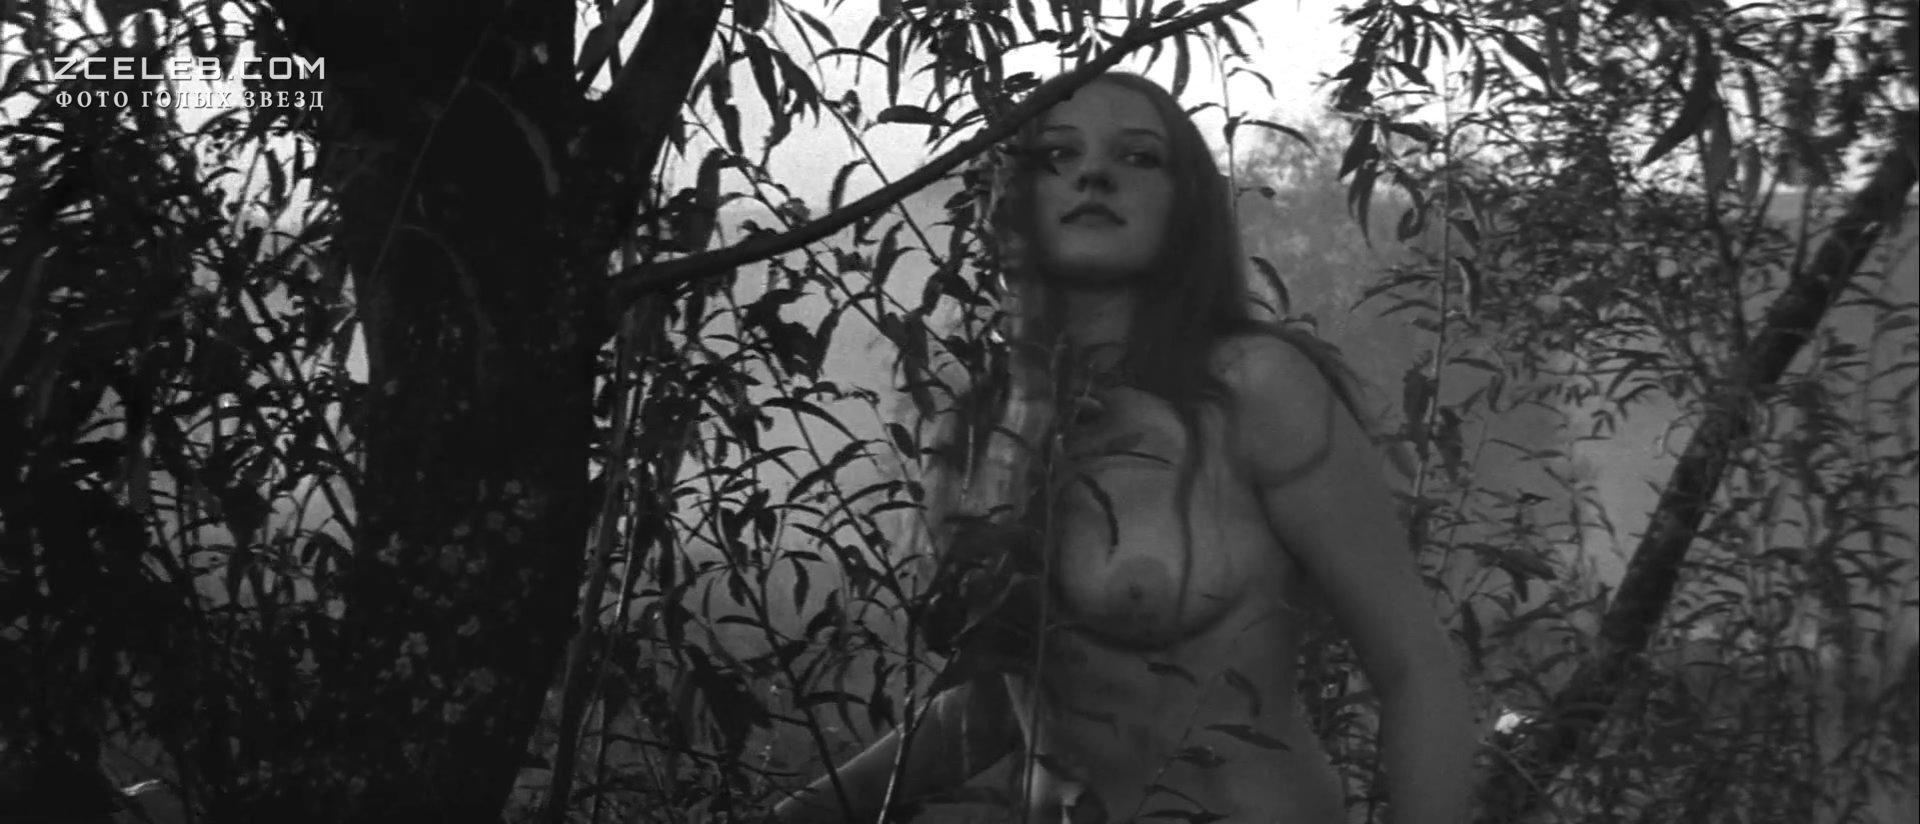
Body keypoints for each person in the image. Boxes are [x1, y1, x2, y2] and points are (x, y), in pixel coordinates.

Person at [771, 70, 1477, 824]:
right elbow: (1001, 704)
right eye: (1058, 155)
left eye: (1138, 156)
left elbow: (1415, 668)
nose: (1095, 174)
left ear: (1184, 204)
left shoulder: (1253, 388)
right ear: (1013, 195)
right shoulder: (982, 425)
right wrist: (797, 815)